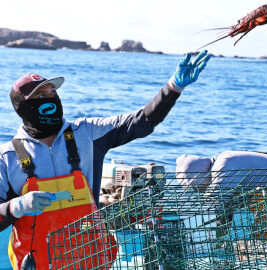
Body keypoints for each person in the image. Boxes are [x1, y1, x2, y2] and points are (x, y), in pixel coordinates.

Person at [0, 50, 211, 270]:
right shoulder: (7, 158)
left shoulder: (86, 134)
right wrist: (16, 207)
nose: (51, 99)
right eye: (41, 96)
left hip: (92, 262)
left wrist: (173, 88)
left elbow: (139, 122)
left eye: (52, 92)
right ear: (22, 107)